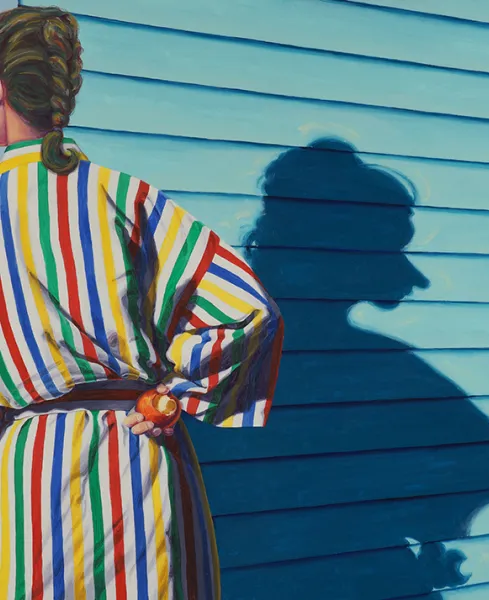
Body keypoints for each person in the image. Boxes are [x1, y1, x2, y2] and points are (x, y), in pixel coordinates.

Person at [0, 6, 284, 599]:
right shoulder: (121, 195)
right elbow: (246, 310)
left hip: (28, 467)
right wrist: (172, 396)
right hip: (141, 450)